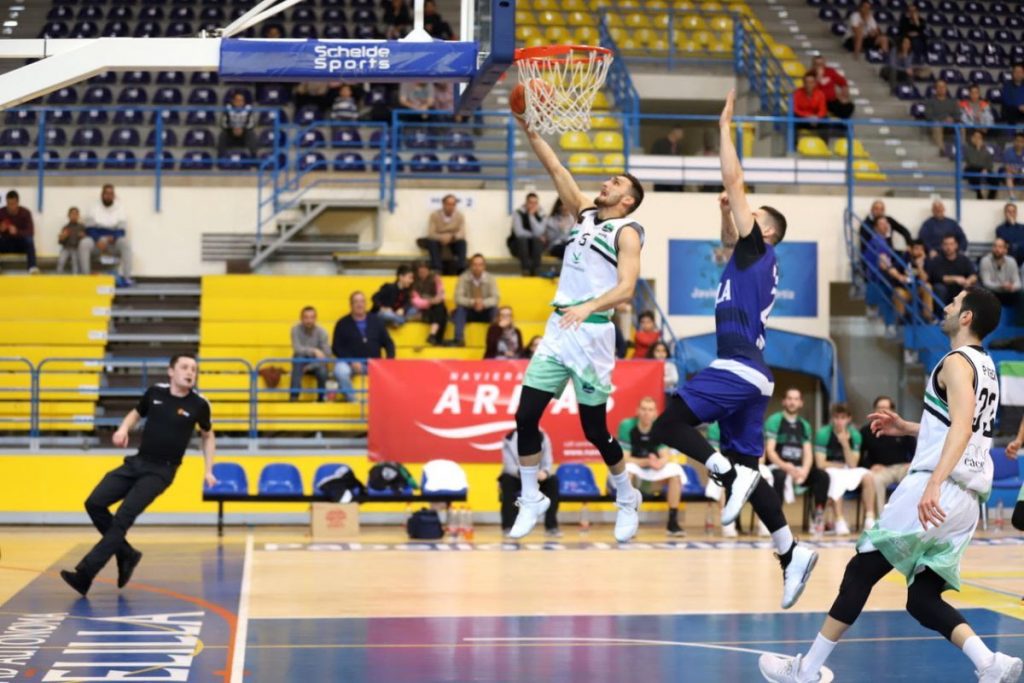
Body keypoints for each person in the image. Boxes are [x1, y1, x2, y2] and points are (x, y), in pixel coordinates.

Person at [759, 287, 1022, 683]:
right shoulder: (986, 366)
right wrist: (909, 427)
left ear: (966, 317)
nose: (947, 306)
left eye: (955, 302)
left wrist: (933, 482)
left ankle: (806, 671)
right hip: (968, 499)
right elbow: (959, 426)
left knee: (860, 571)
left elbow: (963, 426)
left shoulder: (955, 361)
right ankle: (990, 662)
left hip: (939, 489)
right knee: (922, 599)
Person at [649, 91, 818, 608]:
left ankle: (719, 470)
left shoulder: (759, 248)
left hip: (739, 366)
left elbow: (736, 182)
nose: (741, 216)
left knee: (667, 425)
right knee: (753, 475)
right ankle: (792, 553)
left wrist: (724, 128)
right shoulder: (744, 258)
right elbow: (728, 230)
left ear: (765, 230)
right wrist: (726, 210)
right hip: (752, 374)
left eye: (749, 215)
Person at [506, 105, 648, 544]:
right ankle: (531, 497)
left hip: (594, 333)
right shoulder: (584, 212)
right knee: (525, 417)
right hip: (559, 329)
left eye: (617, 182)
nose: (607, 182)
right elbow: (554, 164)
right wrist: (530, 128)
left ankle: (626, 496)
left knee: (594, 430)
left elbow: (627, 289)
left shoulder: (627, 231)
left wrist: (589, 307)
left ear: (627, 200)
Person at [59, 354, 216, 596]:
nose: (190, 372)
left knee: (122, 518)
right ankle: (126, 554)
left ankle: (85, 574)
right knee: (94, 503)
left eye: (194, 369)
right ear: (171, 371)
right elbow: (135, 413)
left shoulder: (200, 404)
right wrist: (123, 429)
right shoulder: (155, 393)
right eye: (184, 367)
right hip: (137, 463)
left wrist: (208, 469)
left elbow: (208, 436)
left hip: (162, 471)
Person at [619, 397, 687, 536]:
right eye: (643, 409)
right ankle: (629, 520)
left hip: (654, 468)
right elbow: (624, 458)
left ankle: (672, 522)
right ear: (637, 411)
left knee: (675, 471)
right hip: (636, 466)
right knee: (627, 471)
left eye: (650, 410)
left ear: (655, 413)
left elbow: (665, 455)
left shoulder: (660, 426)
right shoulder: (627, 426)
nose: (646, 413)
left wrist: (659, 462)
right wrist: (646, 462)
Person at [763, 388, 828, 515]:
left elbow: (808, 453)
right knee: (779, 476)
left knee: (822, 476)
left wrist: (805, 470)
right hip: (777, 466)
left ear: (801, 403)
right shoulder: (774, 420)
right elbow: (770, 451)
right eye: (789, 399)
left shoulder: (805, 425)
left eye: (796, 399)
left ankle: (818, 517)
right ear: (784, 402)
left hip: (798, 468)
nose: (792, 402)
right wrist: (786, 466)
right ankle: (776, 518)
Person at [813, 402, 874, 535]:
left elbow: (853, 465)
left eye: (843, 418)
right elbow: (820, 463)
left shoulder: (855, 435)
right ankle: (839, 519)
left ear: (849, 419)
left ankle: (869, 518)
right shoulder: (823, 434)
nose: (839, 421)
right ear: (832, 418)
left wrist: (845, 444)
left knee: (868, 476)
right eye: (836, 417)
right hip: (830, 471)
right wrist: (839, 465)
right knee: (836, 477)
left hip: (848, 469)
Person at [859, 395, 916, 528]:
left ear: (892, 410)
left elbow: (917, 450)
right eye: (879, 408)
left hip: (903, 467)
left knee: (915, 477)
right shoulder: (866, 431)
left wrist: (913, 463)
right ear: (874, 410)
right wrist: (870, 466)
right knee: (875, 479)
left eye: (885, 408)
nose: (882, 411)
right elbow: (860, 457)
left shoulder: (902, 428)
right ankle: (882, 521)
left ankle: (910, 519)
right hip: (882, 470)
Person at [331, 292, 395, 402]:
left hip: (374, 365)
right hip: (351, 365)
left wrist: (388, 362)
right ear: (351, 304)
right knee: (340, 371)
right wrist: (351, 361)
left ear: (365, 304)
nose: (359, 305)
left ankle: (382, 403)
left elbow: (389, 343)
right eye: (356, 302)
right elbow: (336, 347)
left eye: (362, 301)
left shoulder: (377, 321)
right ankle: (354, 402)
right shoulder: (342, 323)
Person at [499, 429, 559, 536]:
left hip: (538, 476)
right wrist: (526, 473)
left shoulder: (543, 436)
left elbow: (548, 461)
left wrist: (545, 472)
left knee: (553, 481)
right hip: (517, 476)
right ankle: (509, 526)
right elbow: (508, 465)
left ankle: (551, 527)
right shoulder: (509, 438)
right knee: (507, 481)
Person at [82, 184, 133, 285]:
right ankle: (85, 277)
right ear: (102, 195)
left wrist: (113, 237)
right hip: (97, 242)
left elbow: (122, 230)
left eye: (111, 193)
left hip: (113, 241)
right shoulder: (93, 207)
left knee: (125, 243)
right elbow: (89, 228)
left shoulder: (120, 208)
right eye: (106, 193)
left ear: (114, 195)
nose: (108, 196)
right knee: (84, 243)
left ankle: (127, 278)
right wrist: (98, 239)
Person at [452, 254, 499, 346]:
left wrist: (483, 303)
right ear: (470, 266)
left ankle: (495, 340)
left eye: (480, 264)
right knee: (460, 309)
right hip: (470, 311)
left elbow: (495, 298)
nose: (477, 267)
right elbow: (458, 298)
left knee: (495, 310)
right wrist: (473, 302)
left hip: (485, 310)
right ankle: (458, 339)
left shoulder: (491, 279)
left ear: (484, 266)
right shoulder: (463, 278)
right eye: (475, 264)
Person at [289, 306, 331, 402]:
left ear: (315, 318)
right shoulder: (295, 330)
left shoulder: (322, 332)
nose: (309, 320)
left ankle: (321, 399)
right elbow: (297, 349)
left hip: (316, 364)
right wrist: (314, 351)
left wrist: (309, 366)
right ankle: (294, 397)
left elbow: (327, 354)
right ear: (301, 318)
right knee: (299, 358)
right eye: (306, 317)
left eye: (312, 317)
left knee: (323, 371)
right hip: (300, 363)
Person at [928, 234, 978, 304]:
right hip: (945, 289)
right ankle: (941, 314)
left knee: (975, 287)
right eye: (946, 244)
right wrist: (955, 279)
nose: (948, 247)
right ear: (942, 246)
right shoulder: (937, 260)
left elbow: (974, 275)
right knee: (939, 288)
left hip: (961, 288)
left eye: (951, 244)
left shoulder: (963, 259)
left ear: (956, 245)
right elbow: (939, 277)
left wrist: (968, 281)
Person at [424, 194, 467, 273]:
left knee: (462, 243)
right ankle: (437, 268)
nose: (451, 207)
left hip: (453, 240)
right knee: (431, 242)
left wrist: (452, 237)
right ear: (443, 204)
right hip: (438, 241)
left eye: (453, 204)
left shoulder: (459, 216)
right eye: (449, 204)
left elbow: (462, 233)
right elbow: (431, 233)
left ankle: (461, 268)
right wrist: (442, 237)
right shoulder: (434, 215)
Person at [410, 261, 448, 346]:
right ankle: (437, 338)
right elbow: (415, 300)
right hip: (421, 310)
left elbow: (441, 293)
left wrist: (437, 299)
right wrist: (429, 302)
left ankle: (433, 335)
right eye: (421, 272)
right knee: (442, 311)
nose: (423, 273)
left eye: (425, 271)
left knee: (441, 308)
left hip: (434, 307)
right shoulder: (413, 282)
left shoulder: (435, 278)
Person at [0, 189, 37, 273]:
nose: (10, 207)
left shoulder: (26, 213)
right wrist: (1, 229)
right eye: (8, 204)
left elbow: (30, 232)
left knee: (29, 240)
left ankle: (32, 267)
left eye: (13, 204)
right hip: (6, 243)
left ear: (18, 203)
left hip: (21, 244)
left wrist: (17, 232)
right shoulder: (1, 212)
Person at [511, 192, 546, 276]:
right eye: (530, 203)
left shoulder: (542, 214)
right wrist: (534, 235)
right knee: (523, 240)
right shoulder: (518, 213)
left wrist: (531, 216)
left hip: (535, 247)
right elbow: (519, 233)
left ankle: (536, 269)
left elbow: (540, 232)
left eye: (535, 203)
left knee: (537, 240)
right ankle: (526, 269)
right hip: (519, 246)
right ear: (526, 203)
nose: (533, 205)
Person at [979, 237, 1021, 307]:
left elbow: (1018, 283)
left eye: (1000, 247)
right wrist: (1001, 286)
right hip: (992, 293)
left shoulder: (1012, 261)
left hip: (1008, 293)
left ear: (1005, 250)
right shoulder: (985, 261)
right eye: (995, 246)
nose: (997, 249)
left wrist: (1012, 287)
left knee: (1019, 295)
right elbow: (986, 283)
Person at [811, 55, 854, 119]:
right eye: (817, 64)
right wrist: (818, 77)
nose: (820, 66)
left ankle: (841, 124)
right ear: (813, 65)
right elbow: (810, 90)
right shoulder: (810, 74)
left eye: (822, 64)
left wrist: (844, 93)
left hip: (832, 101)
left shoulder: (830, 71)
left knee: (849, 106)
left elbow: (843, 82)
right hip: (818, 101)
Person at [217, 91, 257, 161]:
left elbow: (252, 124)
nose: (239, 102)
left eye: (241, 100)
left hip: (244, 133)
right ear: (233, 101)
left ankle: (253, 159)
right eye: (237, 100)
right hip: (231, 132)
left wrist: (242, 128)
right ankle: (221, 159)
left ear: (244, 102)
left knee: (251, 134)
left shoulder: (248, 109)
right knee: (222, 135)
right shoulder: (228, 109)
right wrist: (232, 128)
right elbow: (223, 123)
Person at [924, 79, 961, 154]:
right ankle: (942, 150)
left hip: (950, 125)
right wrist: (942, 120)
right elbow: (929, 116)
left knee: (962, 126)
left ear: (946, 88)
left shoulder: (952, 102)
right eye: (939, 87)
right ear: (936, 89)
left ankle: (961, 150)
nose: (941, 89)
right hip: (937, 125)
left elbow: (958, 115)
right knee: (937, 125)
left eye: (943, 87)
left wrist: (952, 119)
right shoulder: (930, 101)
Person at [963, 129, 997, 201]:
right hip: (971, 169)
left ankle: (990, 199)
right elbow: (973, 162)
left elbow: (990, 164)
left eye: (979, 138)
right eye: (975, 137)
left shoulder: (986, 150)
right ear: (972, 138)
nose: (977, 139)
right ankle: (980, 198)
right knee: (977, 177)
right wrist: (978, 149)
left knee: (995, 179)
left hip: (984, 169)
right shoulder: (968, 149)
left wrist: (986, 169)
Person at [793, 72, 829, 137]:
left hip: (815, 120)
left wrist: (816, 117)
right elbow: (795, 109)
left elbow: (823, 110)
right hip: (802, 119)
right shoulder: (797, 93)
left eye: (811, 82)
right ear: (803, 83)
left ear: (815, 83)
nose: (808, 85)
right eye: (806, 82)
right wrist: (808, 116)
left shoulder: (820, 94)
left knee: (825, 120)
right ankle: (793, 146)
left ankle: (824, 145)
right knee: (793, 119)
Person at [650, 126, 685, 191]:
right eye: (681, 133)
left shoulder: (679, 147)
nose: (682, 135)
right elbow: (654, 159)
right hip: (661, 179)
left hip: (675, 180)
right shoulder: (659, 144)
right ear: (675, 131)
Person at [57, 206, 87, 274]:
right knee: (61, 261)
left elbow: (86, 240)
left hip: (76, 248)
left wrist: (83, 236)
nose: (74, 216)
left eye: (76, 214)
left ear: (79, 216)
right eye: (72, 214)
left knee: (75, 263)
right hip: (66, 248)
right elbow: (60, 241)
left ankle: (75, 277)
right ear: (68, 215)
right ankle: (58, 276)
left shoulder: (81, 227)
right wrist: (62, 237)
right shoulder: (65, 227)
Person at [1001, 63, 1024, 128]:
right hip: (1012, 111)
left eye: (1020, 72)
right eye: (1016, 72)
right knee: (1011, 111)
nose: (1018, 74)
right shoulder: (1007, 86)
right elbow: (1006, 100)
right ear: (1013, 74)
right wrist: (1019, 106)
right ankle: (1014, 134)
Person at [1003, 133, 1024, 201]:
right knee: (1009, 174)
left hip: (1021, 174)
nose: (1019, 143)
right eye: (1017, 141)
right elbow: (1007, 166)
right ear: (1014, 141)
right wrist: (1017, 171)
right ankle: (1012, 196)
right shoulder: (1008, 152)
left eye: (1021, 141)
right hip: (1011, 173)